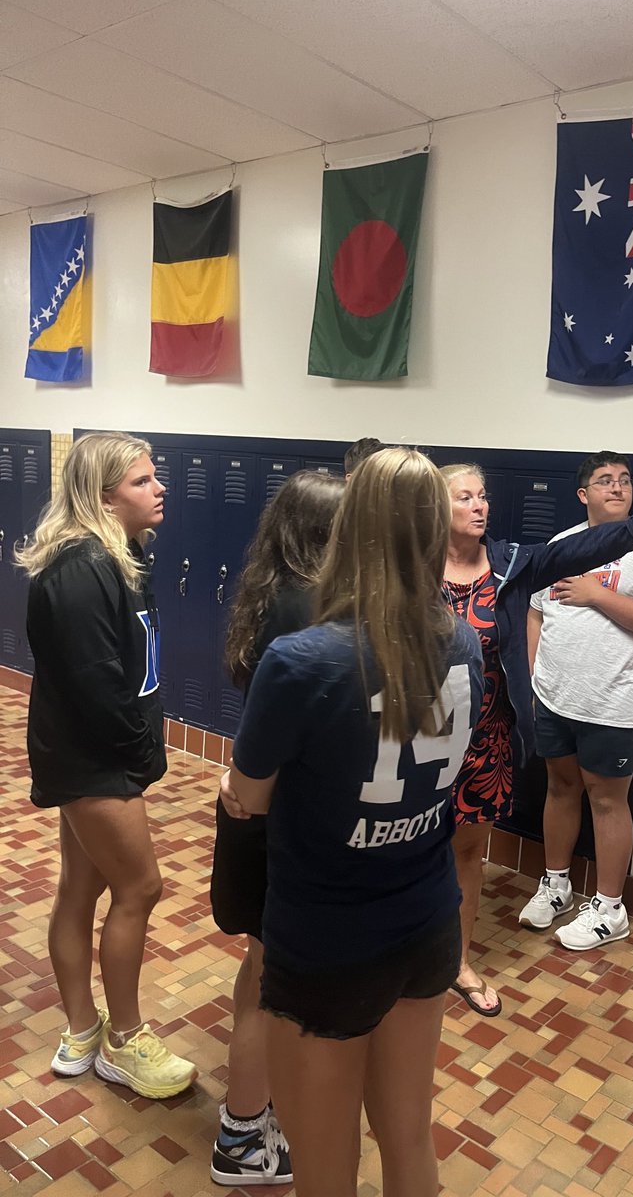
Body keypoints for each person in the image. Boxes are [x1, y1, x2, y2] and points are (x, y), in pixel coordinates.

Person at [217, 447, 485, 1197]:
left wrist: (253, 794)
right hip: (428, 924)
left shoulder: (300, 661)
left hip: (327, 940)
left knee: (326, 1169)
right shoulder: (462, 639)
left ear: (351, 530)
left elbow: (249, 797)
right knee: (409, 1141)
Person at [440, 462, 633, 1015]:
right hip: (420, 738)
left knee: (468, 852)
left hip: (487, 740)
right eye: (464, 497)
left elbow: (590, 550)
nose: (480, 505)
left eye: (483, 495)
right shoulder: (409, 567)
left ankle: (457, 962)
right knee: (413, 850)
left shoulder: (512, 564)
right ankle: (402, 950)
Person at [17, 431, 196, 1099]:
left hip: (104, 755)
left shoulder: (121, 555)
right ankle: (123, 1039)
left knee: (81, 888)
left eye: (156, 477)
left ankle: (82, 1028)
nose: (160, 489)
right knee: (140, 888)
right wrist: (144, 757)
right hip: (93, 761)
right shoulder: (79, 569)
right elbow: (97, 690)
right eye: (143, 481)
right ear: (102, 495)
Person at [209, 470, 344, 1187]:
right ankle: (239, 1138)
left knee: (257, 972)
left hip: (260, 804)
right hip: (280, 819)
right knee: (270, 984)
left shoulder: (272, 587)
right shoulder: (308, 608)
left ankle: (251, 1116)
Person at [519, 451, 633, 949]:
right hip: (554, 696)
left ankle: (611, 908)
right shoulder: (561, 544)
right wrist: (533, 680)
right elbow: (535, 613)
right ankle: (556, 886)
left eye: (625, 480)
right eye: (604, 480)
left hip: (612, 700)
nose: (617, 487)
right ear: (583, 494)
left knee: (609, 801)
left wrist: (598, 595)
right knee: (559, 788)